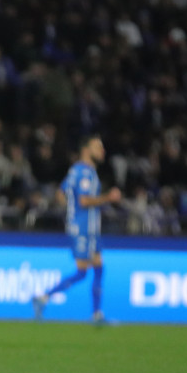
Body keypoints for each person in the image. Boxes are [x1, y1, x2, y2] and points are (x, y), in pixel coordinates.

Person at [33, 134, 121, 323]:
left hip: (88, 228)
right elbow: (84, 201)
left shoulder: (75, 170)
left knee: (98, 267)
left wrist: (69, 209)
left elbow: (60, 193)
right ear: (86, 150)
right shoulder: (86, 173)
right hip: (83, 229)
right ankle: (44, 297)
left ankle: (97, 314)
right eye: (98, 147)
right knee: (82, 271)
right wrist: (109, 198)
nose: (102, 151)